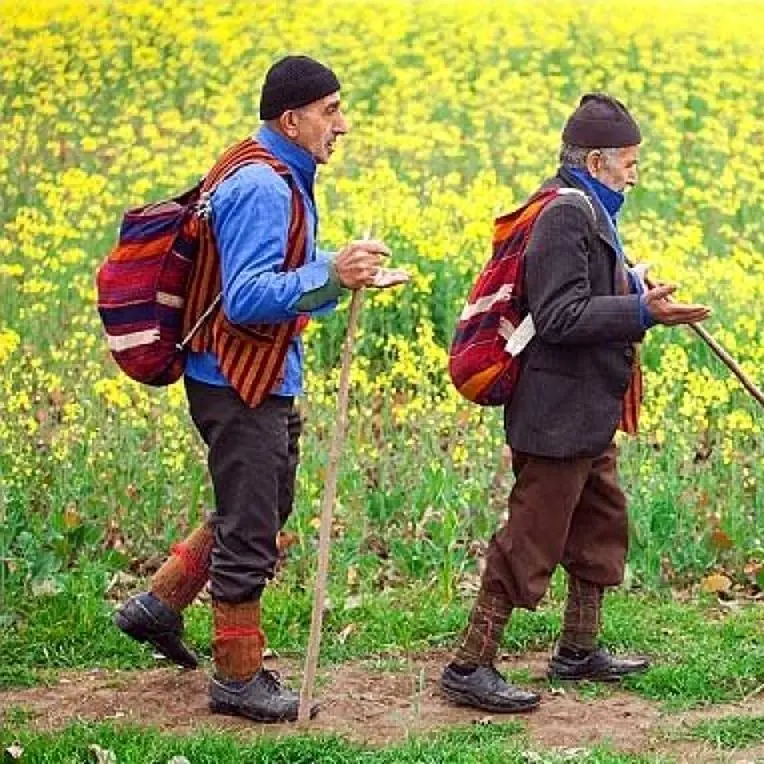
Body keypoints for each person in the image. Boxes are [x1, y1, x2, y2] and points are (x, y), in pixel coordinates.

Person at [113, 55, 402, 722]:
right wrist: (332, 277)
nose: (343, 125)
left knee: (264, 505)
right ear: (290, 119)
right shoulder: (263, 187)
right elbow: (245, 299)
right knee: (251, 527)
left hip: (255, 376)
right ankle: (237, 679)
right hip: (238, 384)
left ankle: (157, 606)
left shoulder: (271, 169)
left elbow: (273, 271)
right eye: (330, 112)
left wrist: (339, 269)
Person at [440, 94, 711, 713]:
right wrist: (644, 312)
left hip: (586, 412)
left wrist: (633, 283)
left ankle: (578, 649)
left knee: (599, 524)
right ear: (596, 160)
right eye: (629, 162)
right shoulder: (566, 214)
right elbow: (560, 315)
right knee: (530, 538)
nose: (636, 173)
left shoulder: (589, 207)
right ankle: (469, 665)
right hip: (555, 413)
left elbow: (579, 290)